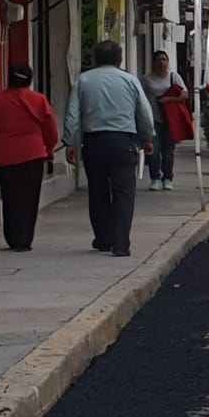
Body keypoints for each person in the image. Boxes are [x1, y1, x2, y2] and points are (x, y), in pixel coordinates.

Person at [61, 39, 155, 258]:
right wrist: (147, 138)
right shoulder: (130, 81)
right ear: (120, 59)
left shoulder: (83, 80)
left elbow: (72, 115)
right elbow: (145, 114)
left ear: (96, 59)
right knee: (124, 194)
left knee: (98, 191)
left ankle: (103, 238)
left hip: (94, 143)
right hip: (123, 142)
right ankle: (121, 243)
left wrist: (70, 143)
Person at [0, 64, 58, 252]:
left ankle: (12, 237)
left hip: (5, 156)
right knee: (29, 198)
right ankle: (24, 239)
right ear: (29, 80)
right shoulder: (39, 100)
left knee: (10, 197)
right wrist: (48, 147)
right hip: (33, 154)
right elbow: (51, 129)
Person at [140, 50, 189, 191]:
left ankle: (168, 177)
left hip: (170, 120)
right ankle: (155, 177)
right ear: (153, 62)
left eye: (164, 59)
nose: (162, 63)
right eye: (159, 60)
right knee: (154, 150)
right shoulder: (146, 79)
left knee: (168, 151)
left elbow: (184, 94)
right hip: (153, 119)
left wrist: (169, 99)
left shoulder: (174, 77)